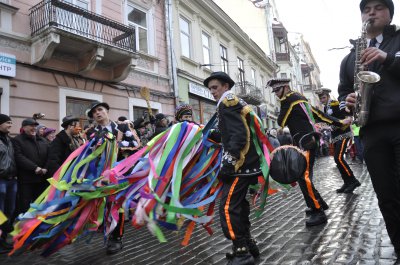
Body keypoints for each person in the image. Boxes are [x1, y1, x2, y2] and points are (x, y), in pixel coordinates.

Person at [338, 0, 400, 261]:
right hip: (371, 132)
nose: (372, 12)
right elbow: (342, 93)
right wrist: (347, 102)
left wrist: (387, 59)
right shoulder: (351, 56)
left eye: (379, 7)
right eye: (366, 9)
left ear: (390, 13)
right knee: (386, 196)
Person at [266, 78, 351, 227]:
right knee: (302, 177)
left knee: (304, 177)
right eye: (275, 92)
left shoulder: (289, 99)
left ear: (286, 87)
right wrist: (338, 122)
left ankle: (318, 211)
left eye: (278, 90)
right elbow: (318, 114)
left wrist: (283, 103)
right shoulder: (299, 98)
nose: (277, 95)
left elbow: (281, 122)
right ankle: (318, 204)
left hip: (305, 141)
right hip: (306, 140)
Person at [204, 71, 261, 265]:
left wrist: (230, 162)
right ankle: (248, 244)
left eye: (215, 87)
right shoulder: (231, 102)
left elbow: (239, 135)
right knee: (238, 206)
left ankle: (241, 252)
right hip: (246, 164)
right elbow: (231, 133)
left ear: (226, 86)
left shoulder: (227, 101)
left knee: (228, 207)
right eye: (210, 88)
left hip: (240, 165)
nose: (212, 92)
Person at [86, 102, 134, 255]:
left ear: (107, 111)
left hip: (119, 175)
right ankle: (104, 228)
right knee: (102, 205)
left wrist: (118, 147)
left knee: (116, 205)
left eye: (100, 110)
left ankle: (116, 238)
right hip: (99, 176)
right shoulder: (91, 133)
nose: (97, 113)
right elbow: (87, 154)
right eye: (94, 112)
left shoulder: (121, 128)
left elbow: (134, 145)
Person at [316, 88, 361, 193]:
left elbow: (346, 117)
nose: (322, 100)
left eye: (323, 97)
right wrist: (327, 128)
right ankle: (347, 182)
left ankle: (353, 181)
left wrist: (332, 127)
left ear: (328, 96)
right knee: (337, 159)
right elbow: (331, 122)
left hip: (344, 134)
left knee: (339, 158)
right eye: (320, 98)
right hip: (336, 136)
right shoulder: (325, 108)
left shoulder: (336, 104)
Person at [13, 118, 49, 214]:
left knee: (40, 204)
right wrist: (34, 167)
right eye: (31, 126)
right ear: (24, 127)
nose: (34, 128)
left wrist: (45, 168)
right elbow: (19, 156)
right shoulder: (17, 140)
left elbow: (50, 156)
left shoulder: (43, 140)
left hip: (42, 179)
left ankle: (37, 227)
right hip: (26, 180)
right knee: (25, 205)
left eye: (35, 126)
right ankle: (24, 226)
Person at [0, 114, 17, 254]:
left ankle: (3, 240)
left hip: (11, 180)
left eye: (11, 122)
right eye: (7, 123)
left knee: (9, 211)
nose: (10, 125)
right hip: (1, 180)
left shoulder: (9, 140)